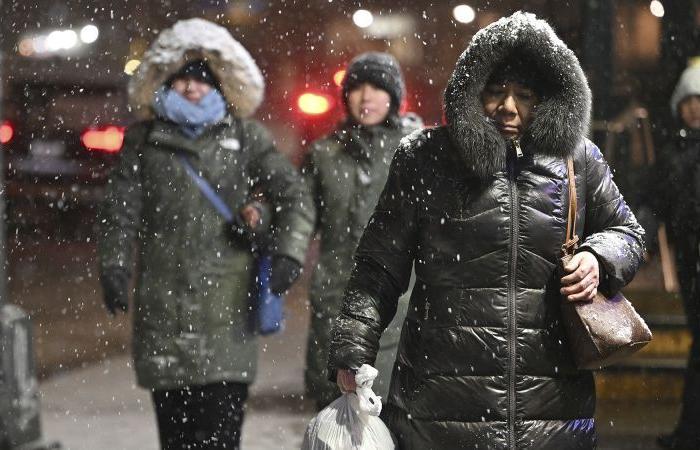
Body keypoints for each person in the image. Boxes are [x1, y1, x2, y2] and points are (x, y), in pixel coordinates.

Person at [329, 12, 645, 449]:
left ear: (549, 99)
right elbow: (379, 266)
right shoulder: (425, 160)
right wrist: (353, 347)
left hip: (551, 410)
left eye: (525, 95)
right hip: (440, 407)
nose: (508, 107)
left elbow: (627, 233)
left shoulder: (578, 160)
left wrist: (598, 256)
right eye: (495, 92)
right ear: (472, 94)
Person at [97, 18, 313, 450]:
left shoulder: (246, 137)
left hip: (227, 310)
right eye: (181, 82)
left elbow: (294, 195)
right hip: (164, 306)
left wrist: (286, 248)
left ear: (218, 88)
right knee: (175, 438)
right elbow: (119, 209)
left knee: (220, 435)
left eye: (200, 82)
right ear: (166, 86)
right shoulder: (144, 140)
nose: (191, 89)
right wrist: (114, 264)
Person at [302, 52, 422, 409]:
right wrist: (284, 251)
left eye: (377, 88)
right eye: (357, 89)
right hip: (334, 297)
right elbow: (300, 213)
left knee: (388, 407)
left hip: (398, 299)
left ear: (394, 98)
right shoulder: (325, 153)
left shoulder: (416, 151)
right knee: (333, 412)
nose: (366, 97)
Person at [657, 64, 700, 450]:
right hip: (690, 260)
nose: (695, 108)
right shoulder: (673, 150)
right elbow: (660, 201)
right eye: (689, 100)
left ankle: (689, 432)